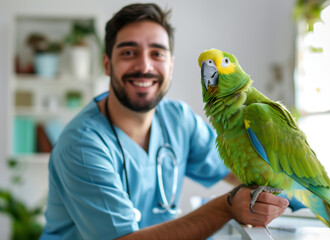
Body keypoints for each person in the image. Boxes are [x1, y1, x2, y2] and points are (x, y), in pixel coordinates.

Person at [40, 3, 289, 240]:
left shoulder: (178, 120)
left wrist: (308, 193)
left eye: (157, 53)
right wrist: (225, 208)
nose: (144, 66)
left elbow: (243, 169)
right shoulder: (82, 145)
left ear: (170, 66)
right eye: (128, 52)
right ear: (107, 64)